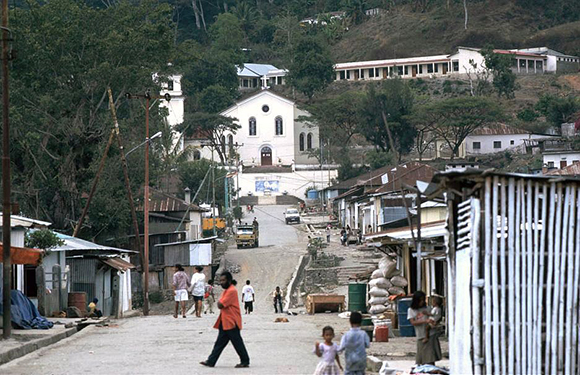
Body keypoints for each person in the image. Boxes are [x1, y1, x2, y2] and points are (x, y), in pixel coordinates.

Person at [200, 271, 250, 368]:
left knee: (237, 342)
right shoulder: (227, 290)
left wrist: (219, 302)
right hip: (225, 321)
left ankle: (245, 360)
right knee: (219, 343)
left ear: (229, 280)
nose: (221, 282)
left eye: (223, 280)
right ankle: (211, 361)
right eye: (220, 280)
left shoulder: (231, 291)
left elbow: (220, 304)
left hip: (231, 321)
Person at [407, 291, 442, 365]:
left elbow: (435, 317)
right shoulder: (411, 310)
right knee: (422, 357)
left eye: (423, 300)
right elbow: (413, 322)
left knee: (430, 357)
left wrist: (435, 322)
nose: (422, 302)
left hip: (431, 334)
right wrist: (425, 321)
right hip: (421, 335)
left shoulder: (428, 308)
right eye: (421, 300)